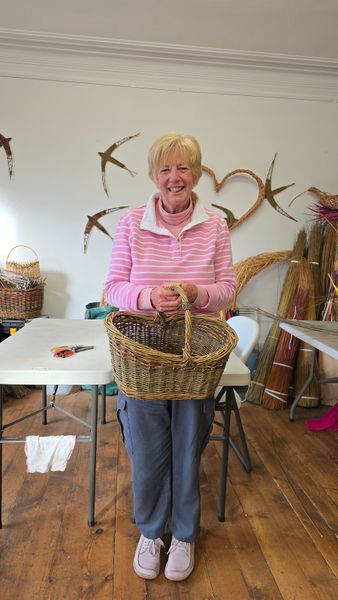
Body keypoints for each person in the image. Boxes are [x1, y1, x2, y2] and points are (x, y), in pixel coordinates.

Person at [105, 131, 236, 581]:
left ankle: (183, 534)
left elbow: (228, 289)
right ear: (153, 175)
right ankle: (151, 531)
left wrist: (199, 293)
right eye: (165, 168)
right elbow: (112, 288)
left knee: (186, 448)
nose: (174, 177)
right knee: (147, 450)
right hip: (141, 356)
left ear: (196, 174)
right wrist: (145, 297)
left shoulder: (215, 224)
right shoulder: (130, 223)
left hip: (195, 358)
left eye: (183, 168)